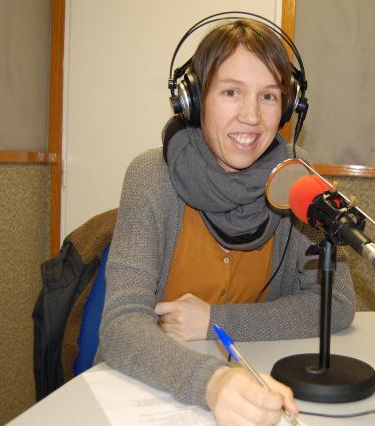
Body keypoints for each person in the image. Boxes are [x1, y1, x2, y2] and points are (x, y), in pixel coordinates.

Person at [99, 17, 356, 425]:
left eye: (268, 96)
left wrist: (215, 322)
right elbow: (120, 324)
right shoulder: (150, 178)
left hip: (257, 382)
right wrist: (211, 381)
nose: (251, 116)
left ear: (287, 107)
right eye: (231, 92)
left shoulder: (296, 180)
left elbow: (336, 305)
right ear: (195, 100)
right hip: (155, 386)